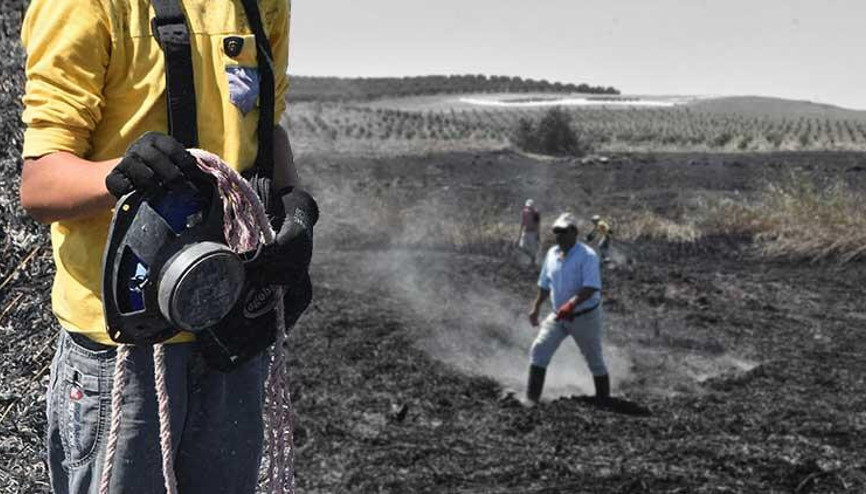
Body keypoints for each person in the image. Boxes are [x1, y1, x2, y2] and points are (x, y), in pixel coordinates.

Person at [18, 0, 310, 492]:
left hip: (230, 329)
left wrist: (293, 204)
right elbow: (41, 185)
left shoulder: (261, 4)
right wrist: (116, 177)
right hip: (125, 352)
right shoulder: (87, 5)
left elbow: (267, 125)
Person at [526, 213, 610, 404]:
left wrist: (570, 305)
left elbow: (590, 287)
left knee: (594, 360)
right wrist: (536, 307)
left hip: (584, 317)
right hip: (559, 315)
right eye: (556, 231)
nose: (559, 235)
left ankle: (605, 402)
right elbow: (545, 284)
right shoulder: (552, 254)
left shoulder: (587, 256)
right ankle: (531, 400)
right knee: (539, 350)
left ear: (574, 232)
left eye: (563, 231)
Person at [517, 199, 541, 266]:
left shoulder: (536, 213)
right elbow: (522, 223)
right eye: (528, 207)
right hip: (525, 232)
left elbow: (537, 224)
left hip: (533, 233)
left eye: (530, 207)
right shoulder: (524, 212)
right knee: (521, 246)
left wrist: (538, 235)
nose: (529, 208)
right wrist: (519, 234)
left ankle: (533, 262)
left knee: (533, 249)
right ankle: (532, 256)